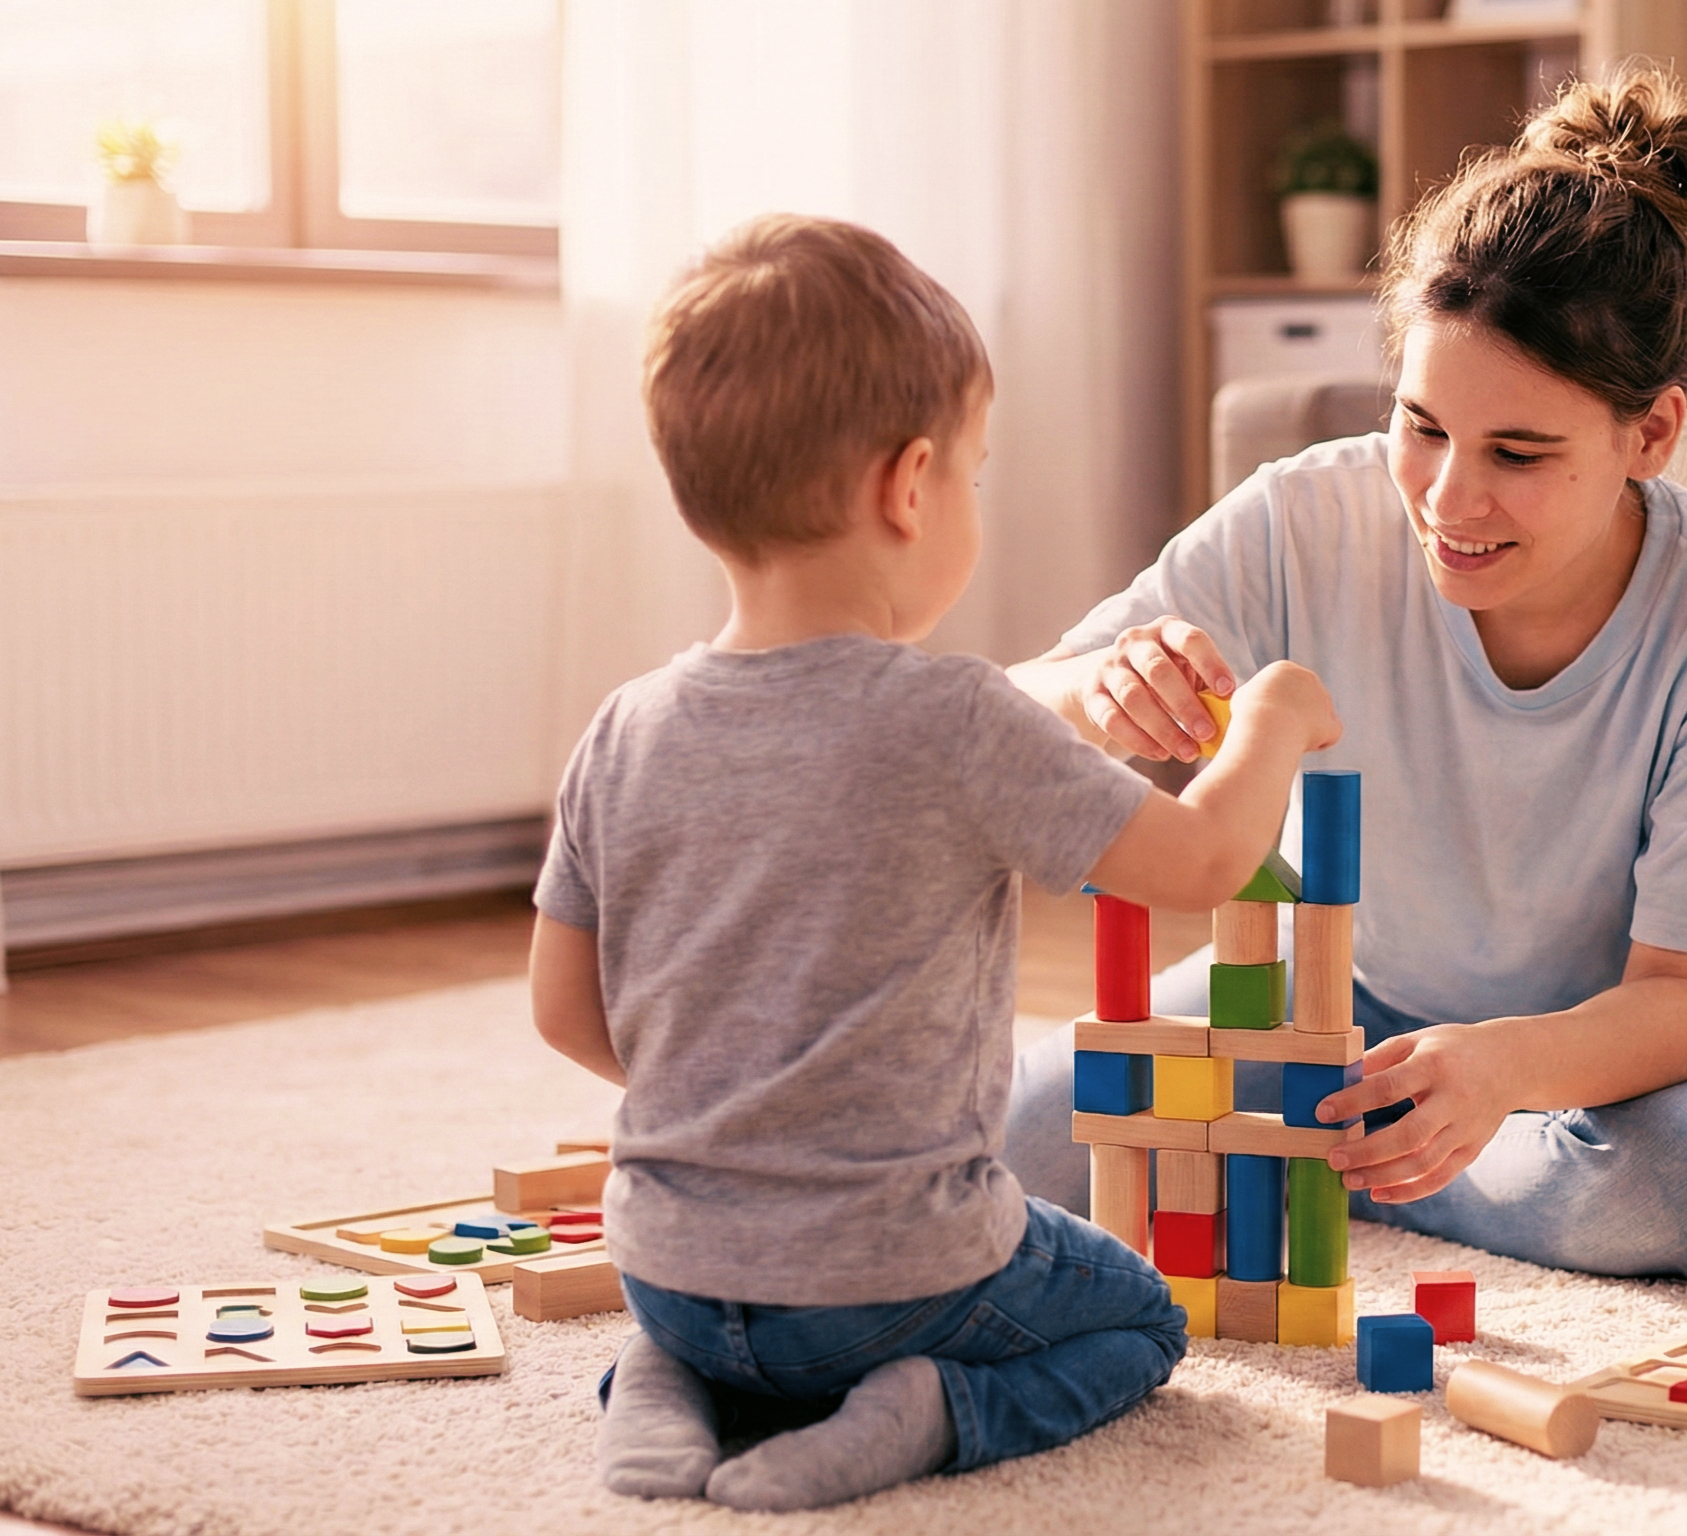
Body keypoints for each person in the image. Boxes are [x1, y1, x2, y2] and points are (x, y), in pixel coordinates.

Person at [528, 215, 1342, 1511]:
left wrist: (740, 1104)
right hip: (890, 1279)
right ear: (907, 488)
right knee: (1135, 1319)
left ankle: (667, 1388)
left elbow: (563, 1011)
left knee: (724, 1322)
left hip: (669, 1267)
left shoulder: (621, 726)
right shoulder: (954, 717)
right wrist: (1275, 720)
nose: (966, 495)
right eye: (974, 470)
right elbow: (1197, 865)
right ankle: (929, 1411)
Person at [1004, 67, 1687, 1279]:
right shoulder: (1305, 516)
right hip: (1341, 1006)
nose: (1448, 499)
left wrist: (1499, 1072)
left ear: (1647, 433)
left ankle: (1304, 1157)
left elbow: (1683, 1002)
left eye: (1518, 452)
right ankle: (1379, 1155)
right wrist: (1099, 685)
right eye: (1422, 425)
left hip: (1623, 1063)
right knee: (1026, 1131)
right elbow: (1010, 706)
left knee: (1668, 1193)